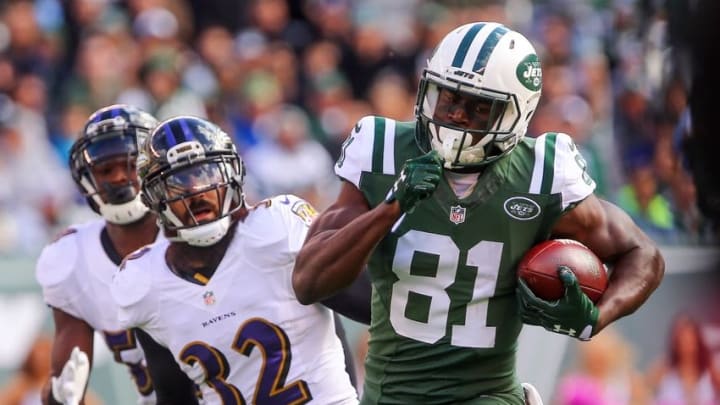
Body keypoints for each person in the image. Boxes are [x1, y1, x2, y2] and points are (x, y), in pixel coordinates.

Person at [291, 21, 665, 404]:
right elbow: (308, 282)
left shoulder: (541, 173)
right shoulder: (382, 150)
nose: (456, 115)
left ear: (516, 115)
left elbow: (644, 256)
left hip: (487, 395)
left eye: (479, 107)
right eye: (448, 97)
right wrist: (391, 206)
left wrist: (594, 319)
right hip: (392, 397)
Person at [111, 116, 368, 404]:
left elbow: (368, 306)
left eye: (207, 173)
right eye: (178, 182)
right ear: (153, 198)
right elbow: (174, 395)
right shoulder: (145, 283)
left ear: (232, 173)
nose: (196, 190)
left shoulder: (276, 228)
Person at [35, 104, 197, 405]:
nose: (121, 177)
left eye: (131, 164)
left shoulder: (197, 227)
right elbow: (67, 379)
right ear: (88, 180)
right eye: (106, 169)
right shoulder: (72, 259)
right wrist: (60, 397)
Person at [646, 313, 720, 405]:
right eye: (681, 339)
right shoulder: (663, 367)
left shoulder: (710, 369)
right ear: (675, 342)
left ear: (697, 341)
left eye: (689, 339)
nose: (685, 345)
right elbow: (642, 392)